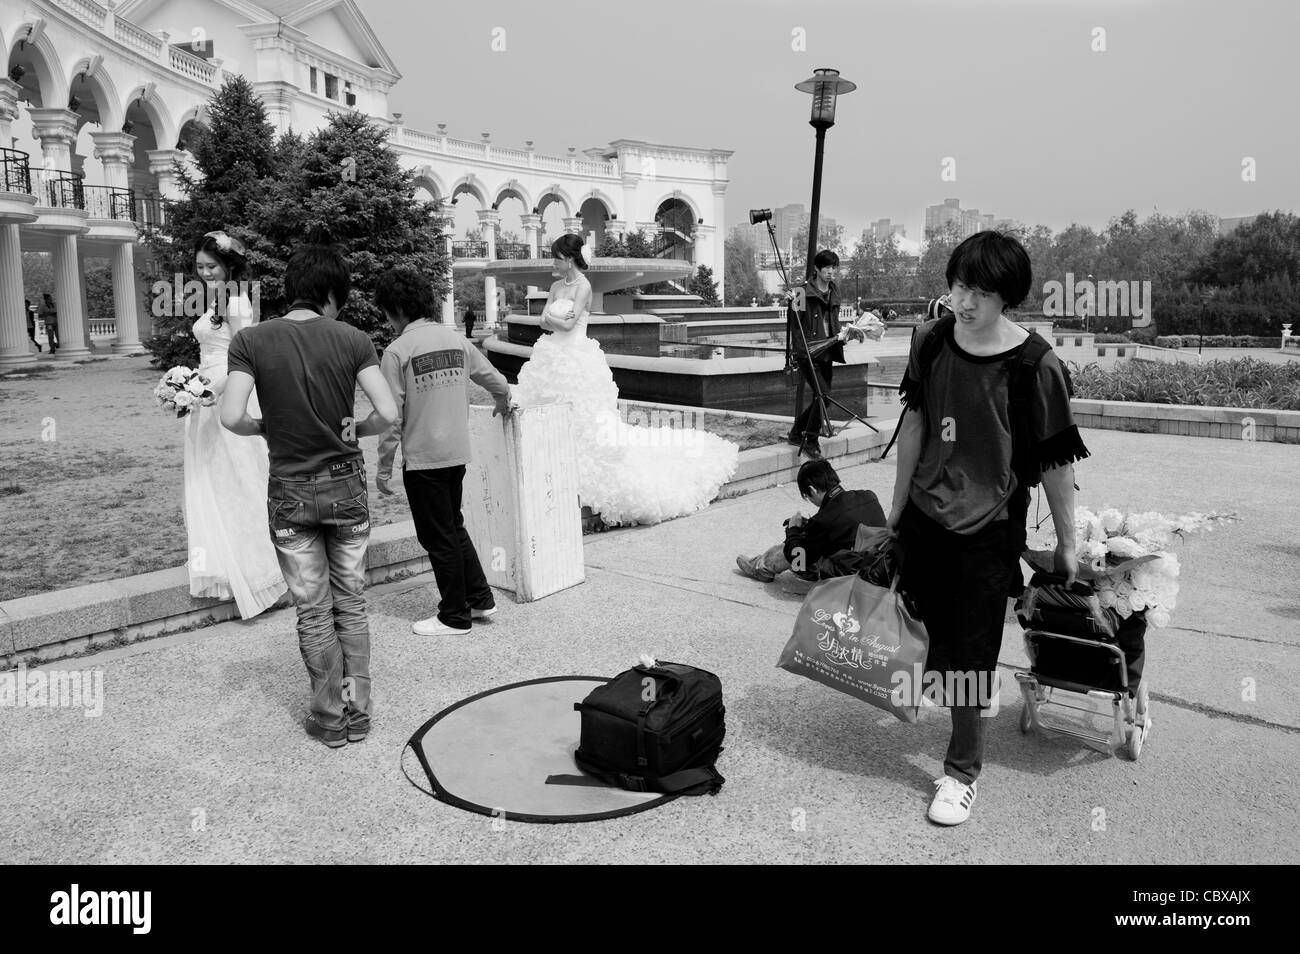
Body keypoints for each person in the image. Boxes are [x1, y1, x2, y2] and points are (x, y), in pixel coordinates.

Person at [887, 231, 1089, 826]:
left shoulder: (1035, 365)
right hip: (926, 514)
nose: (964, 301)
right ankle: (938, 691)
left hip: (989, 524)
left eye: (981, 291)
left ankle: (960, 773)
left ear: (1008, 298)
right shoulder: (929, 341)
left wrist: (1067, 543)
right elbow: (916, 428)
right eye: (958, 285)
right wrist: (896, 510)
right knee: (918, 624)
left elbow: (1055, 462)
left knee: (973, 653)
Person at [222, 226, 399, 750]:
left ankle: (328, 719)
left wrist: (265, 429)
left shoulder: (250, 341)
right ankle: (359, 712)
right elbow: (387, 413)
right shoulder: (352, 339)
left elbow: (232, 416)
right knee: (351, 601)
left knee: (313, 608)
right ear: (330, 295)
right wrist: (354, 432)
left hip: (290, 490)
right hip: (346, 485)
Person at [510, 234, 739, 526]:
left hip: (578, 359)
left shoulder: (584, 286)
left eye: (556, 256)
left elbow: (567, 323)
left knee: (584, 420)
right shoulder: (556, 286)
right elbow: (546, 320)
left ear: (568, 259)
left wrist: (555, 319)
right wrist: (556, 319)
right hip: (552, 355)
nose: (552, 262)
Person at [374, 267, 516, 637]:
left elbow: (391, 417)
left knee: (438, 537)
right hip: (457, 454)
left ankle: (454, 616)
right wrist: (502, 400)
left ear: (395, 310)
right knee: (452, 525)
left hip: (423, 459)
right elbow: (496, 380)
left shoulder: (397, 351)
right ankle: (480, 599)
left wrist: (383, 466)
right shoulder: (455, 341)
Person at [183, 231, 287, 619]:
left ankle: (260, 567)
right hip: (204, 395)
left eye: (211, 266)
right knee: (213, 476)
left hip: (230, 392)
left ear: (229, 266)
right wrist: (188, 385)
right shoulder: (213, 300)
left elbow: (245, 355)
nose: (205, 272)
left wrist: (210, 389)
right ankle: (224, 561)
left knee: (242, 475)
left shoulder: (240, 300)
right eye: (199, 267)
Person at [735, 459, 886, 582]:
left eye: (807, 496)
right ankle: (791, 564)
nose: (810, 500)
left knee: (795, 546)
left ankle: (762, 567)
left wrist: (793, 531)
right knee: (812, 540)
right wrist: (810, 528)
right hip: (879, 564)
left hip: (850, 576)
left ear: (812, 490)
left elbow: (797, 559)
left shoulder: (824, 520)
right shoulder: (868, 496)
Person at [786, 250, 865, 460]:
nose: (831, 272)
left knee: (823, 397)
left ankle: (796, 433)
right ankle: (810, 440)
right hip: (808, 352)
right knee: (824, 396)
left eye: (834, 268)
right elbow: (795, 325)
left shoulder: (834, 291)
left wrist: (847, 334)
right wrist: (791, 302)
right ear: (817, 269)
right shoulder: (801, 292)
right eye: (827, 268)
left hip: (829, 350)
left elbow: (833, 322)